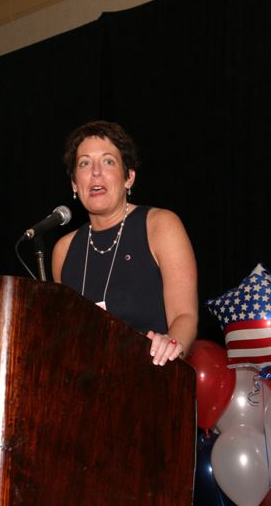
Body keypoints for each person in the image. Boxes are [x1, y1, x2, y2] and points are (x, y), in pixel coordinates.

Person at [52, 120, 198, 366]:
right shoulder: (63, 250)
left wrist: (171, 346)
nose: (95, 172)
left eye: (108, 161)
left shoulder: (160, 225)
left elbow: (185, 316)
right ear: (75, 184)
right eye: (85, 163)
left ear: (129, 178)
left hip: (152, 377)